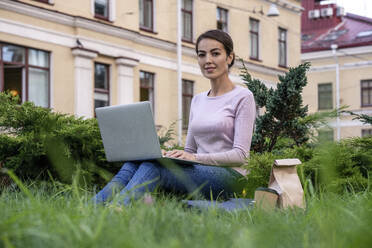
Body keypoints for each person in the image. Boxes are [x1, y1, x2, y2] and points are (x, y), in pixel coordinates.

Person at [93, 29, 256, 205]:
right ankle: (92, 207)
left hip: (231, 177)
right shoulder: (198, 100)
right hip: (201, 170)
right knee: (137, 161)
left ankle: (117, 209)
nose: (207, 60)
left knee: (152, 167)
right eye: (202, 55)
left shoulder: (243, 97)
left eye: (215, 53)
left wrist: (195, 159)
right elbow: (190, 151)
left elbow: (241, 155)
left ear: (230, 57)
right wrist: (168, 155)